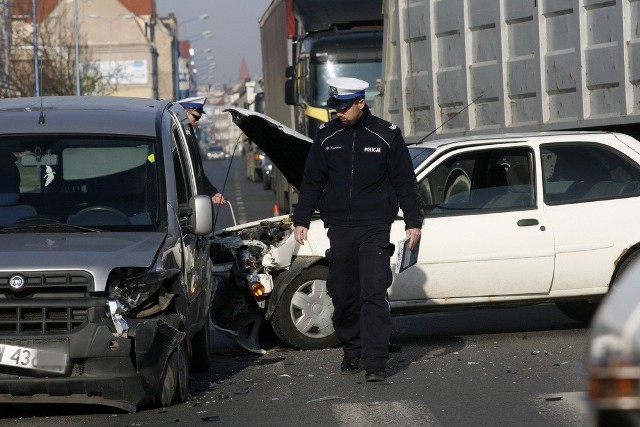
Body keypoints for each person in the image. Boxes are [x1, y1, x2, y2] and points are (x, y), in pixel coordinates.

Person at [292, 77, 424, 382]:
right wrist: (301, 219)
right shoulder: (326, 137)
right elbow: (312, 181)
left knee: (374, 291)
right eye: (335, 107)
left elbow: (405, 181)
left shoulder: (386, 135)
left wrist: (414, 221)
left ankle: (376, 360)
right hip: (339, 227)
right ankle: (352, 349)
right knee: (343, 292)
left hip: (375, 226)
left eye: (344, 107)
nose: (338, 112)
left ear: (361, 103)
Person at [178, 96, 226, 205]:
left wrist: (213, 193)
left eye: (199, 119)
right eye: (195, 117)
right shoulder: (172, 140)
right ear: (183, 114)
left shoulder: (188, 138)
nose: (196, 122)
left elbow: (198, 175)